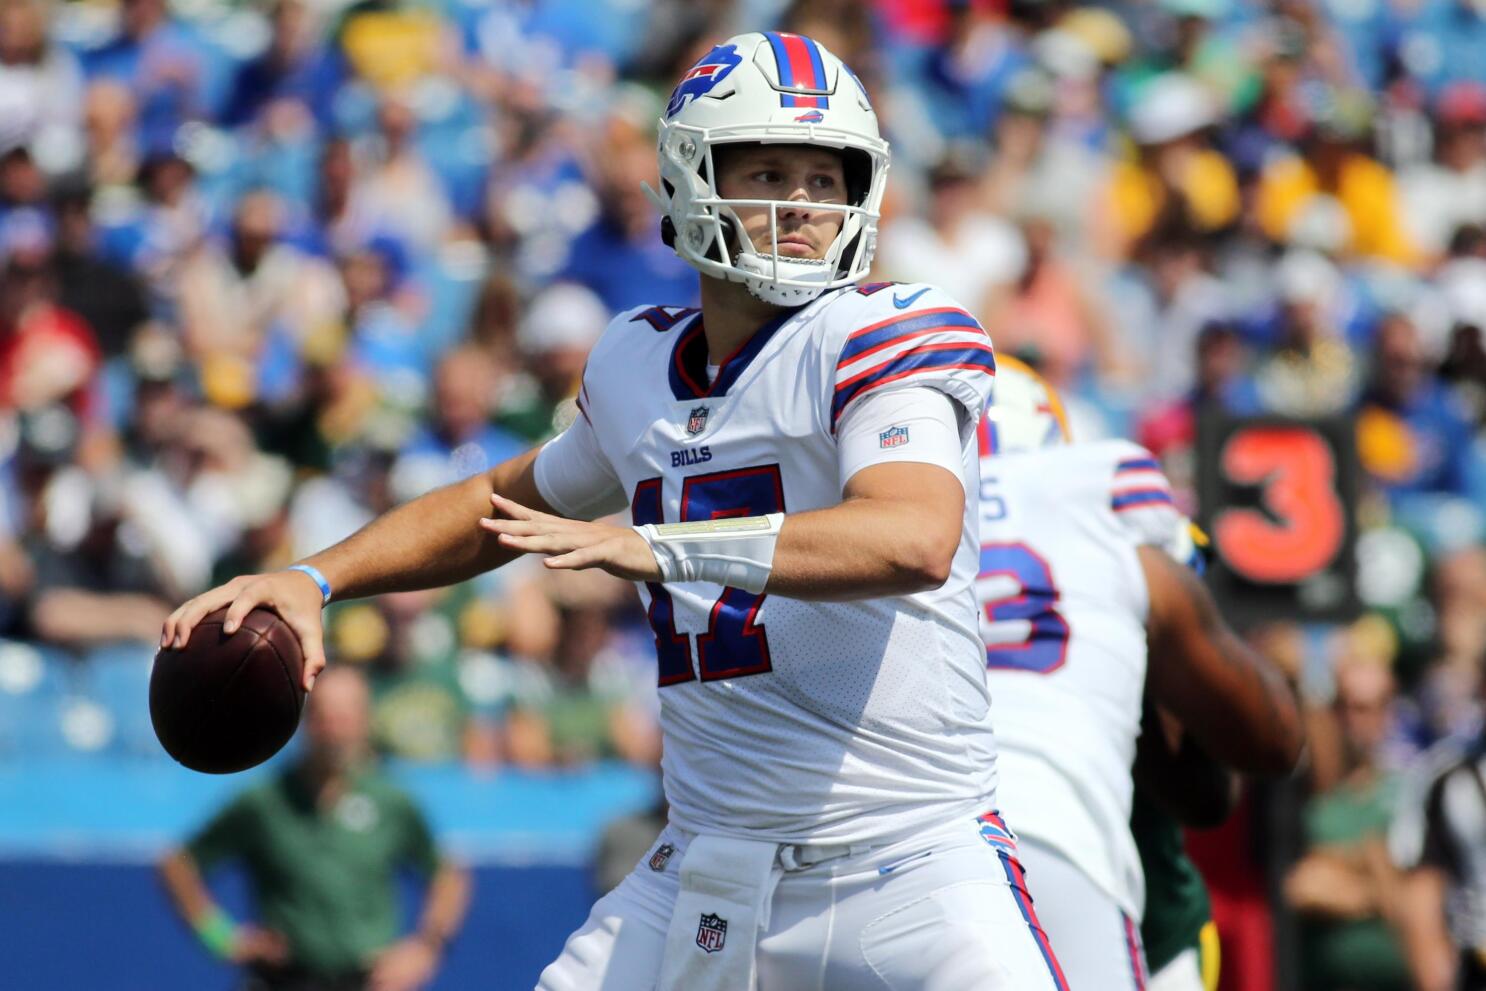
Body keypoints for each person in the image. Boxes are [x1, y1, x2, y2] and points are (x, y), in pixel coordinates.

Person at [164, 31, 1067, 990]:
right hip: (711, 871)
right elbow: (494, 501)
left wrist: (661, 546)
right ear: (688, 180)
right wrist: (314, 578)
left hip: (911, 862)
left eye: (825, 176)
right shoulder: (638, 364)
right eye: (767, 170)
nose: (802, 203)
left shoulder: (886, 331)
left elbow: (912, 535)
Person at [974, 358, 1304, 988]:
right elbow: (1249, 762)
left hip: (905, 867)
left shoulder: (870, 538)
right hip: (1077, 854)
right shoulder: (1109, 524)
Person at [158, 666, 471, 991]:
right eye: (326, 716)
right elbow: (179, 865)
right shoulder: (265, 799)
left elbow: (447, 875)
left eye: (347, 716)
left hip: (366, 980)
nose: (336, 730)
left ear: (365, 721)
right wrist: (221, 936)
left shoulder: (391, 799)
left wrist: (426, 947)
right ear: (307, 721)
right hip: (284, 979)